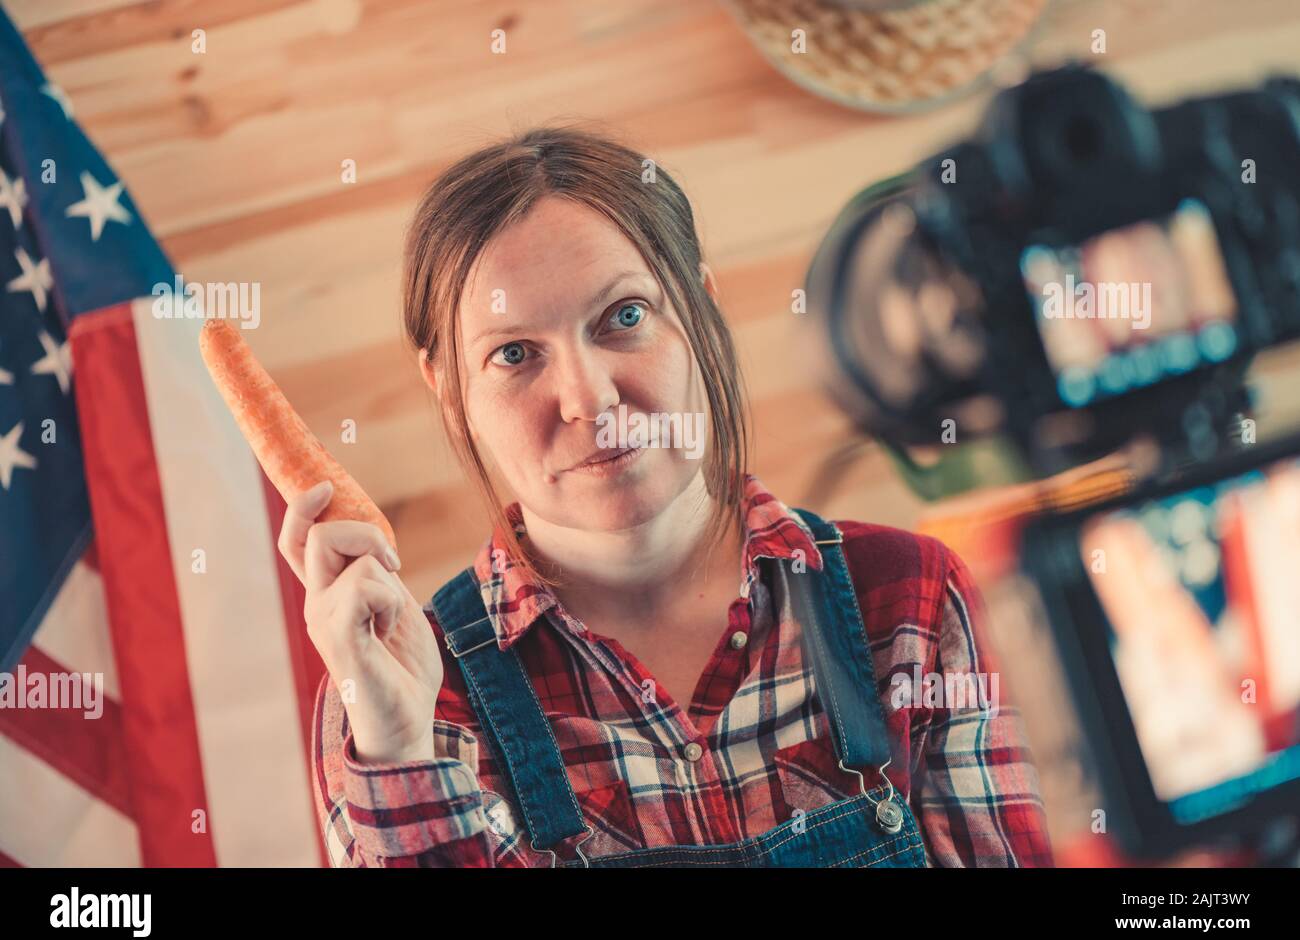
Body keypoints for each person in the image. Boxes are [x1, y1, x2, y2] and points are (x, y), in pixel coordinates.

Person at [280, 125, 1054, 867]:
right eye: (515, 354)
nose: (588, 398)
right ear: (449, 391)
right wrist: (397, 750)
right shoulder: (401, 699)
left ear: (702, 310)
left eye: (624, 317)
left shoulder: (912, 599)